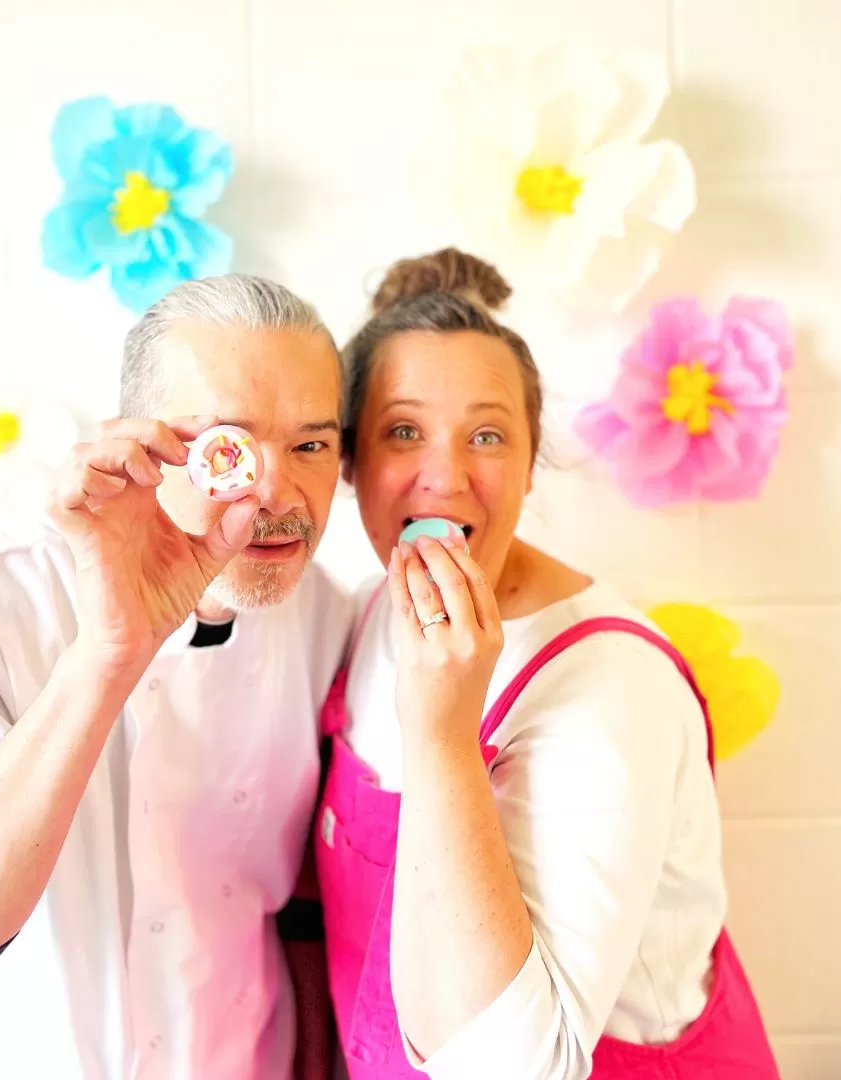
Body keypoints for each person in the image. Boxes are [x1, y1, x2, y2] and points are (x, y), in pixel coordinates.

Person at [0, 275, 352, 1080]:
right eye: (228, 445)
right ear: (140, 443)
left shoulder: (323, 613)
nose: (274, 491)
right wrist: (108, 655)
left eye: (312, 445)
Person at [314, 248, 779, 1079]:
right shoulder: (370, 616)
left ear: (531, 466)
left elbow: (520, 1066)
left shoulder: (609, 688)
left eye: (486, 435)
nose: (444, 476)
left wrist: (446, 734)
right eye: (403, 431)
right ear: (351, 464)